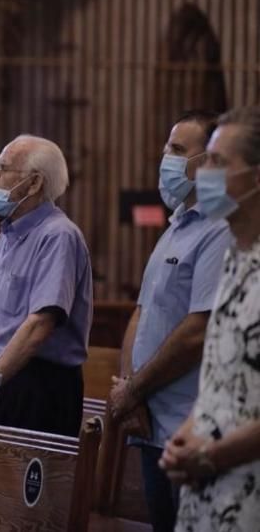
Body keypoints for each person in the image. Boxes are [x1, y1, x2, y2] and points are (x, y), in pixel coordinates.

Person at [109, 112, 230, 532]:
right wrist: (130, 392)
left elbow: (199, 329)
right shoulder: (177, 224)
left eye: (177, 150)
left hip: (189, 425)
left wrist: (135, 389)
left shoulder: (219, 228)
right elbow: (141, 313)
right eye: (166, 148)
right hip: (149, 419)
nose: (166, 158)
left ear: (208, 161)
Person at [160, 106, 260, 532]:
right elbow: (221, 375)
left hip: (247, 491)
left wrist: (210, 455)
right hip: (205, 495)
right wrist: (185, 436)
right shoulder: (236, 260)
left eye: (218, 163)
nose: (203, 175)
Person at [0, 134, 93, 436]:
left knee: (17, 483)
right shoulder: (7, 235)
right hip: (4, 376)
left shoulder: (58, 235)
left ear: (34, 183)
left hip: (36, 385)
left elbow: (40, 323)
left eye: (2, 169)